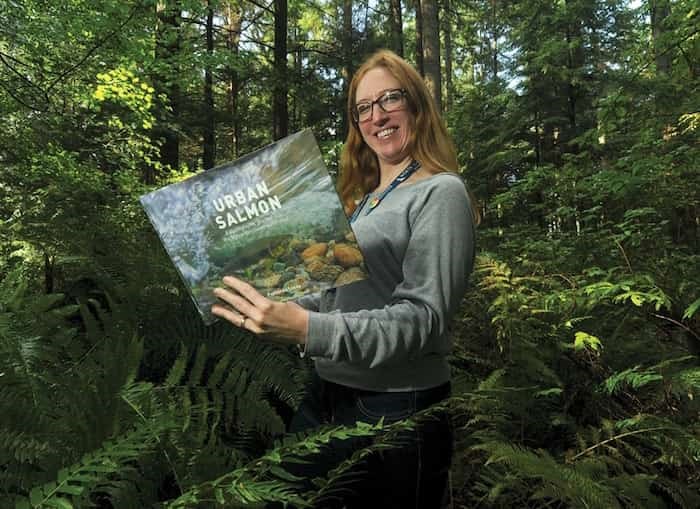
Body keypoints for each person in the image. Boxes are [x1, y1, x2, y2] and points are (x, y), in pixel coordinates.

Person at [212, 49, 478, 508]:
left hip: (397, 406)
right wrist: (272, 304)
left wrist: (307, 329)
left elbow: (424, 319)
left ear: (415, 104)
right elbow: (336, 298)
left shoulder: (441, 192)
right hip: (327, 390)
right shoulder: (364, 200)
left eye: (390, 99)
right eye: (363, 108)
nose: (377, 116)